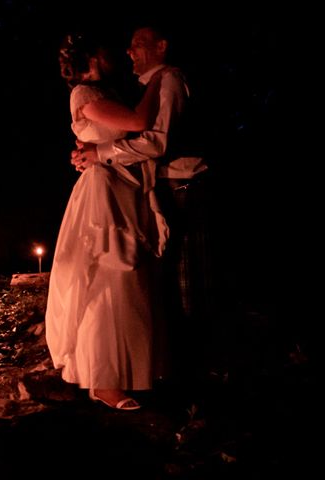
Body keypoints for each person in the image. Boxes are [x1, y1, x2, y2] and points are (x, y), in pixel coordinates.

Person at [72, 24, 214, 384]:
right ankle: (166, 367)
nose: (129, 52)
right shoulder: (118, 90)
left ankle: (197, 371)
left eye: (138, 45)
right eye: (128, 46)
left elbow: (157, 141)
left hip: (181, 184)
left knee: (185, 281)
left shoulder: (168, 81)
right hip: (142, 187)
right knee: (147, 276)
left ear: (162, 46)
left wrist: (100, 152)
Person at [45, 32, 169, 410]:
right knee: (107, 276)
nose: (118, 53)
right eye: (106, 48)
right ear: (92, 57)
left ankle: (131, 369)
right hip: (101, 193)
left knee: (127, 276)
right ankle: (103, 380)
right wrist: (161, 78)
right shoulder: (84, 95)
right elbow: (138, 121)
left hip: (121, 186)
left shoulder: (106, 94)